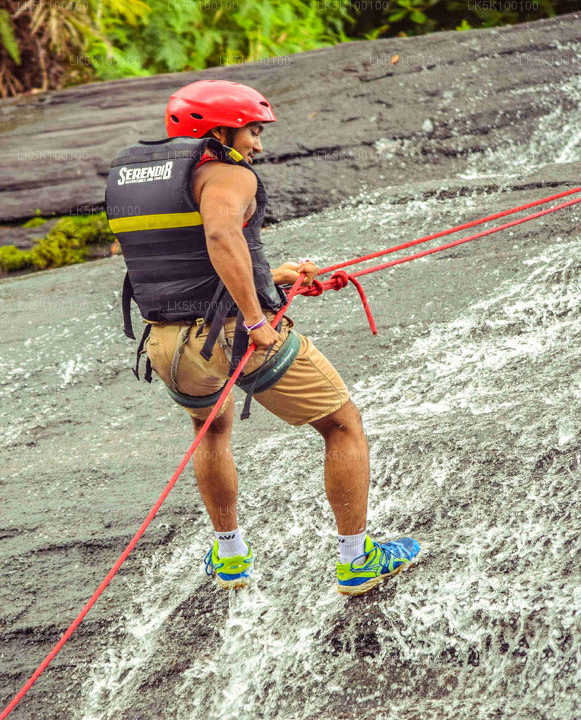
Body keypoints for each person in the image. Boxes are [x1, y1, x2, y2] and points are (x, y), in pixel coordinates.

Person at [104, 79, 421, 596]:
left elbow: (183, 257)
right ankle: (357, 559)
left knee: (210, 431)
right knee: (342, 425)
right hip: (234, 335)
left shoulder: (140, 177)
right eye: (252, 130)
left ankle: (229, 558)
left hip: (167, 344)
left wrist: (273, 277)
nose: (257, 144)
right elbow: (220, 235)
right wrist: (257, 319)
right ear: (220, 128)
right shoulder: (228, 175)